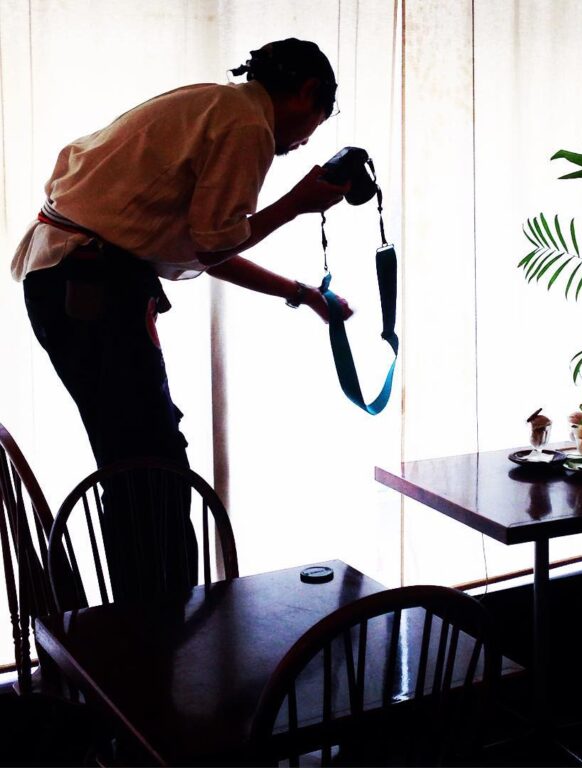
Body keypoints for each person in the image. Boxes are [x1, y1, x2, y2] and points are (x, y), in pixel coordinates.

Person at [11, 38, 352, 599]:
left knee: (138, 460)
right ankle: (161, 622)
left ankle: (145, 616)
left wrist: (302, 293)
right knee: (152, 468)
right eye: (317, 120)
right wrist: (297, 203)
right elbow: (215, 245)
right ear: (309, 91)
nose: (306, 141)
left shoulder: (213, 104)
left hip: (68, 278)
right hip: (92, 283)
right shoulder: (248, 124)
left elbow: (209, 248)